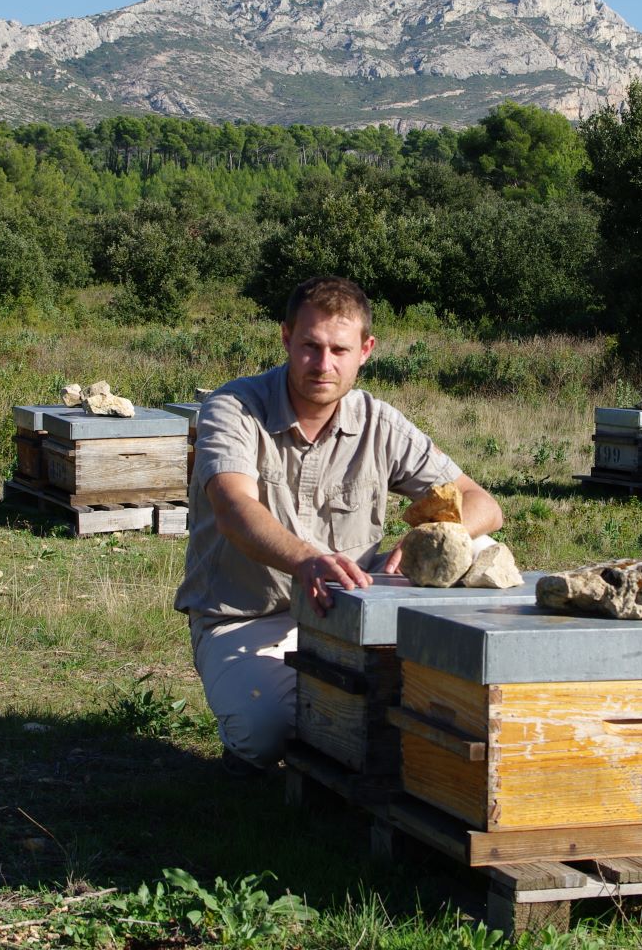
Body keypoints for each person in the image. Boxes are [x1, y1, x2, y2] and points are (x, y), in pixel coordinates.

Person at [173, 276, 503, 773]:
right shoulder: (234, 408)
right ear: (286, 338)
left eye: (339, 350)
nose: (323, 365)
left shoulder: (378, 422)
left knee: (476, 546)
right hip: (247, 616)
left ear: (366, 350)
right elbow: (233, 508)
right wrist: (305, 559)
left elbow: (482, 503)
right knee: (266, 732)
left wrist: (424, 538)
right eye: (310, 346)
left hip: (349, 616)